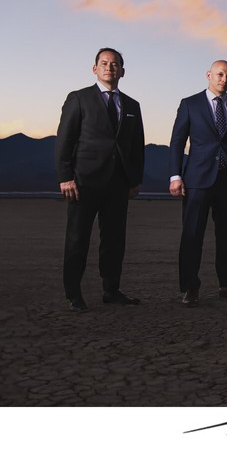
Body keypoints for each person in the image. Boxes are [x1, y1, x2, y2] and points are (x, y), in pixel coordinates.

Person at [55, 48, 145, 312]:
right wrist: (65, 177)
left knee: (115, 240)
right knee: (77, 239)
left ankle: (112, 290)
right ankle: (73, 294)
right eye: (104, 63)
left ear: (122, 71)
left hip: (117, 184)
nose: (110, 68)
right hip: (83, 182)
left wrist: (133, 180)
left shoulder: (132, 106)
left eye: (115, 64)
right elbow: (65, 140)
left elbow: (136, 147)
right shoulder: (78, 99)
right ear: (94, 68)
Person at [169, 60, 227, 306]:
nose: (223, 79)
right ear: (208, 75)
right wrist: (175, 175)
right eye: (219, 74)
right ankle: (189, 288)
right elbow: (177, 142)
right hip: (196, 180)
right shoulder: (190, 104)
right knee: (192, 234)